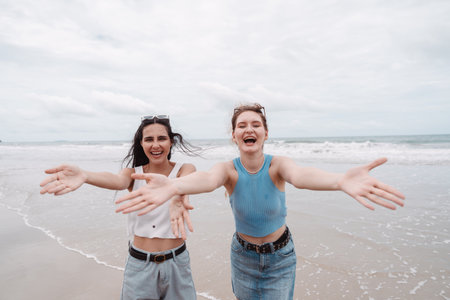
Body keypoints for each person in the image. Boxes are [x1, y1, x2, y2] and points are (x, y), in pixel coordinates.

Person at [115, 104, 405, 300]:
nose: (249, 129)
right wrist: (175, 186)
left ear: (265, 133)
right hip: (243, 256)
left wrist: (340, 180)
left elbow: (301, 176)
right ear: (234, 135)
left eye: (256, 124)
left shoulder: (277, 165)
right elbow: (206, 180)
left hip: (280, 256)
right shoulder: (228, 169)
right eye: (242, 125)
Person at [39, 115, 199, 300]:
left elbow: (186, 181)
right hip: (140, 264)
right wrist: (85, 175)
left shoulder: (184, 169)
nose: (156, 145)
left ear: (171, 142)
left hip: (176, 263)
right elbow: (116, 180)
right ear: (141, 144)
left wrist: (177, 194)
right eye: (149, 139)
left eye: (161, 138)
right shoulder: (133, 173)